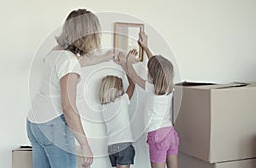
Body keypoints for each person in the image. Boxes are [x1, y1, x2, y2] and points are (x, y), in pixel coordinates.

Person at [26, 9, 116, 168]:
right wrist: (85, 145)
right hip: (53, 127)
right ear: (89, 35)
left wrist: (106, 57)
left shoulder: (56, 52)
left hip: (35, 123)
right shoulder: (69, 61)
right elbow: (68, 108)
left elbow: (76, 62)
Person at [121, 33, 179, 168]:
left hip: (157, 135)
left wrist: (129, 61)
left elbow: (133, 76)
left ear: (152, 74)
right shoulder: (169, 88)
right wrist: (146, 47)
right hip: (170, 132)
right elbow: (157, 65)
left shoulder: (151, 88)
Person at [99, 61, 135, 168]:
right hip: (124, 145)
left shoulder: (103, 107)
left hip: (111, 147)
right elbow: (133, 84)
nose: (123, 90)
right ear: (117, 89)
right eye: (121, 87)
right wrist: (126, 65)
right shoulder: (122, 101)